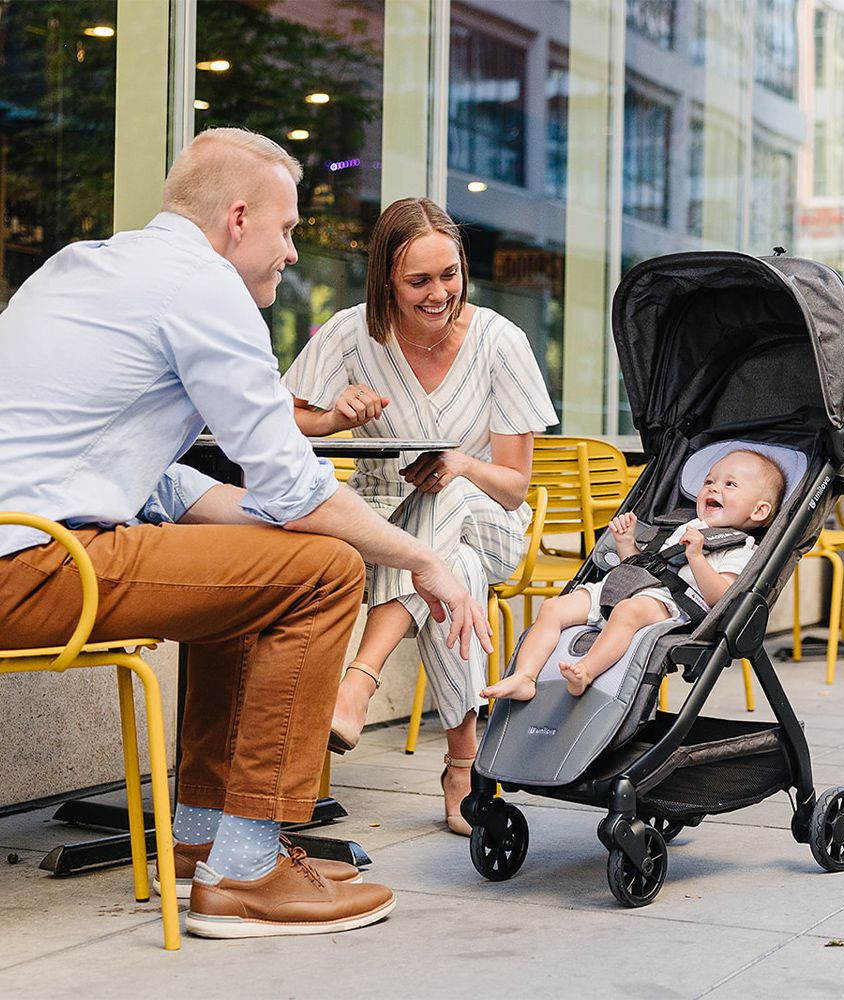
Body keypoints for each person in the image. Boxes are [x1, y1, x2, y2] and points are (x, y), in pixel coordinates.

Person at [0, 129, 492, 939]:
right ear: (237, 219)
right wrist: (422, 559)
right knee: (325, 570)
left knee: (269, 569)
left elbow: (162, 481)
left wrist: (277, 522)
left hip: (28, 547)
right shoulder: (202, 285)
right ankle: (248, 872)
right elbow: (294, 484)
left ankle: (203, 837)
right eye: (287, 229)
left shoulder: (80, 267)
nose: (292, 252)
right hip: (39, 563)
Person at [282, 197, 557, 835]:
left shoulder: (500, 342)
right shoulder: (350, 333)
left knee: (445, 495)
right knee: (453, 569)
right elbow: (282, 421)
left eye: (450, 275)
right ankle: (465, 765)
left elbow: (514, 486)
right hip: (379, 522)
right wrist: (335, 416)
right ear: (386, 280)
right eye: (419, 281)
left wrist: (459, 464)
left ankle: (360, 680)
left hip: (490, 519)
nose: (440, 294)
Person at [482, 449, 784, 700]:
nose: (713, 488)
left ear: (758, 511)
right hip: (625, 587)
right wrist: (626, 544)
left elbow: (721, 597)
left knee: (628, 611)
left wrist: (696, 558)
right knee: (553, 608)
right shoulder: (683, 525)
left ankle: (586, 671)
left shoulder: (741, 549)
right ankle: (525, 676)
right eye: (709, 481)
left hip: (669, 603)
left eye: (730, 484)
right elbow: (643, 569)